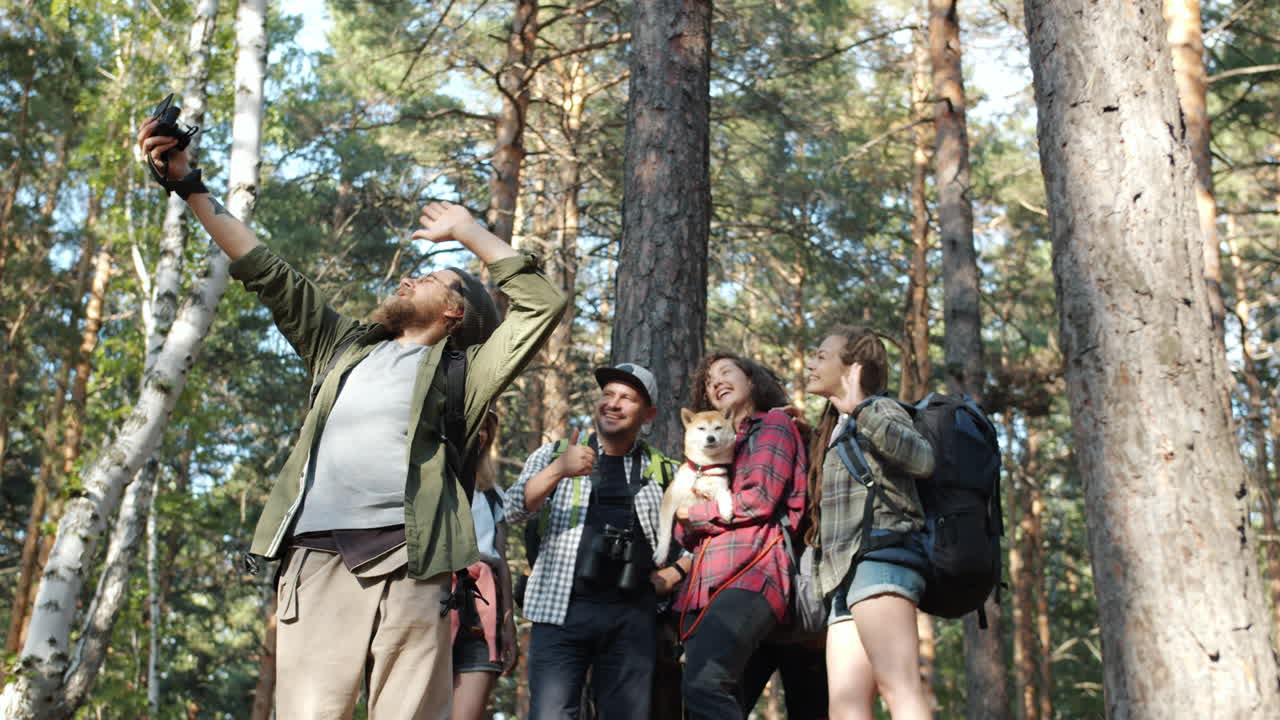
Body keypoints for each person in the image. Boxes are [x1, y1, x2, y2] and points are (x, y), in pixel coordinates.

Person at [137, 117, 567, 720]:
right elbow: (263, 267)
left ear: (453, 311)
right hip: (317, 562)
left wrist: (467, 231)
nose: (409, 276)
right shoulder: (341, 345)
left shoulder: (465, 375)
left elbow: (541, 303)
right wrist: (187, 184)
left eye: (432, 277)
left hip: (414, 569)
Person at [504, 363, 687, 720]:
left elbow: (701, 536)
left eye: (627, 398)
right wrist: (559, 470)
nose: (613, 404)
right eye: (608, 394)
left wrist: (677, 571)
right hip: (559, 611)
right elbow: (512, 510)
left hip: (632, 619)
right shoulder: (553, 455)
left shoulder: (664, 471)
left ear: (648, 414)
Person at [804, 326, 935, 720]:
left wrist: (860, 404)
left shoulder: (879, 410)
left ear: (853, 368)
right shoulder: (836, 427)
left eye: (822, 355)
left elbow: (921, 458)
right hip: (843, 577)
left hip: (882, 560)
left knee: (900, 687)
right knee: (845, 708)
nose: (811, 362)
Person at [673, 352, 809, 720]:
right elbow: (681, 533)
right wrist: (689, 517)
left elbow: (759, 500)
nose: (715, 382)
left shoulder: (772, 426)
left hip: (753, 575)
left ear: (752, 382)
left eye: (726, 373)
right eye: (708, 381)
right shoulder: (710, 450)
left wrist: (695, 514)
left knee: (704, 684)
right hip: (705, 587)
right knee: (707, 700)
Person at [451, 409, 517, 720]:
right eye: (473, 425)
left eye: (485, 428)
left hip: (481, 618)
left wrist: (508, 624)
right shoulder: (431, 486)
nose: (480, 434)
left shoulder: (493, 496)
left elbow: (501, 561)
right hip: (432, 610)